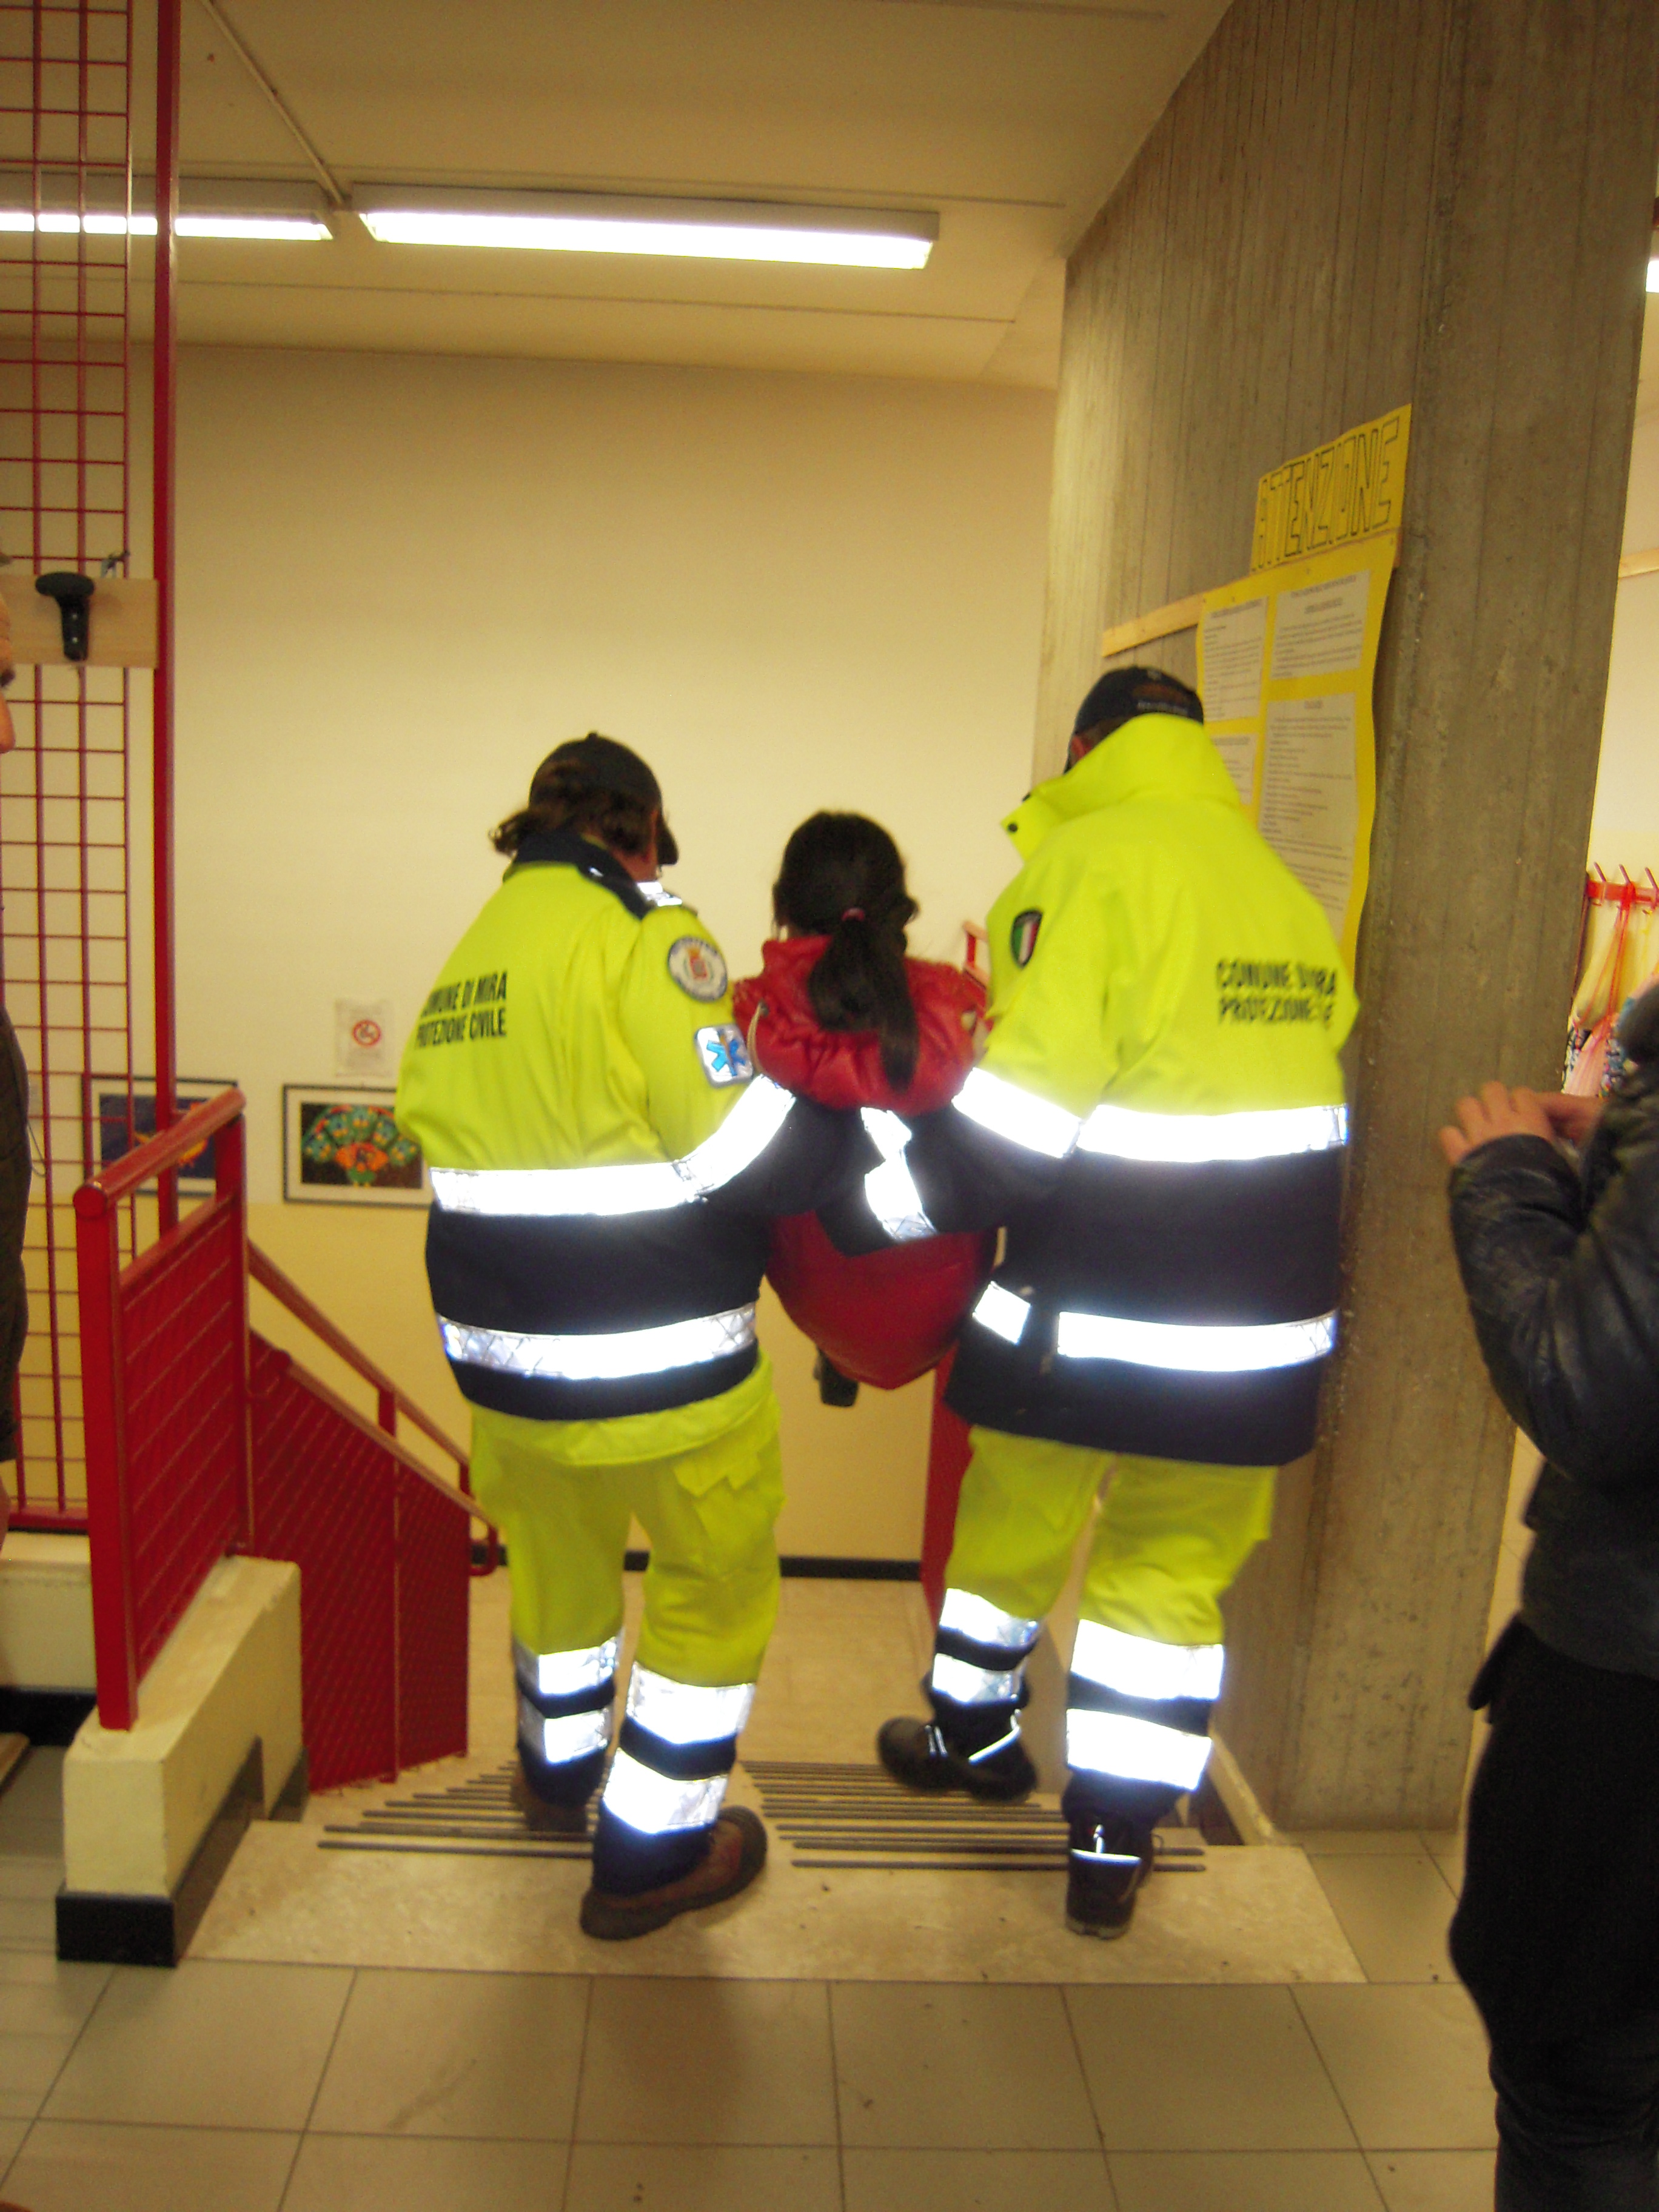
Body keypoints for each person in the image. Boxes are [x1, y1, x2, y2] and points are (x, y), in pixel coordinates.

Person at [865, 665, 1356, 1937]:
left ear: (1086, 749)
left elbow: (1019, 1120)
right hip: (1254, 1335)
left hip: (1085, 1314)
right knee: (1169, 1590)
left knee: (1014, 1527)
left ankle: (974, 1738)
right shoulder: (1284, 890)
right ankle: (1110, 1845)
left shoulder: (1083, 870)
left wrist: (875, 1214)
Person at [397, 735, 859, 1940]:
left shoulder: (472, 958)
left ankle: (556, 1779)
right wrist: (838, 1123)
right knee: (710, 1593)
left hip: (508, 1383)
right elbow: (742, 1155)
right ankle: (651, 1854)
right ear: (643, 832)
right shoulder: (652, 941)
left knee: (559, 1582)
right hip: (667, 1380)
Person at [1442, 989, 1659, 2211]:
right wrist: (1621, 1169)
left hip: (1630, 1692)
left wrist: (1510, 1186)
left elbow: (1587, 1391)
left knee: (1579, 2082)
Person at [731, 811, 992, 1401]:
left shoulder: (746, 1019)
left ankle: (841, 1367)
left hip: (814, 1296)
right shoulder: (961, 1011)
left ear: (781, 905)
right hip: (950, 1296)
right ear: (899, 910)